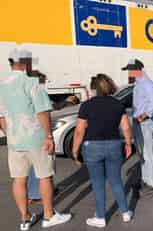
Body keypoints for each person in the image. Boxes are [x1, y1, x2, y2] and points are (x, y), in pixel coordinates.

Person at [0, 49, 72, 230]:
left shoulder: (1, 87)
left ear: (11, 64)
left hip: (15, 142)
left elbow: (1, 117)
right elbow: (42, 112)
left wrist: (11, 134)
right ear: (26, 63)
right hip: (36, 139)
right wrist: (49, 136)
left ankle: (25, 219)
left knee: (18, 179)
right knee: (44, 176)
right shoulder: (32, 83)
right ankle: (48, 216)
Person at [72, 74, 133, 228]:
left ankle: (100, 217)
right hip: (113, 145)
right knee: (116, 180)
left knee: (97, 183)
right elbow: (125, 127)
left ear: (94, 88)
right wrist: (128, 144)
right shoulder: (118, 104)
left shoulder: (87, 105)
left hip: (92, 147)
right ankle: (125, 213)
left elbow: (79, 131)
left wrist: (75, 150)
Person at [122, 59, 153, 195]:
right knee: (142, 153)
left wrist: (142, 117)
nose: (128, 74)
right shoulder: (138, 84)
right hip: (138, 122)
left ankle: (151, 184)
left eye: (130, 71)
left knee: (148, 154)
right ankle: (145, 180)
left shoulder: (148, 84)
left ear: (137, 70)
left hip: (145, 123)